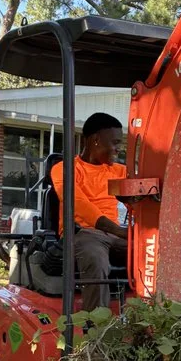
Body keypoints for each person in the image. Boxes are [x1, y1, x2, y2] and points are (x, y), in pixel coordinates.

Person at [50, 112, 127, 311]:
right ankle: (97, 330)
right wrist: (119, 231)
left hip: (114, 235)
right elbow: (78, 203)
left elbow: (144, 189)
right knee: (95, 259)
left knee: (152, 254)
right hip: (81, 233)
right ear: (95, 140)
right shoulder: (64, 169)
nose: (119, 149)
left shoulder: (117, 172)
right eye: (115, 143)